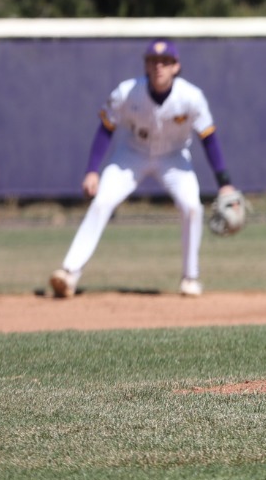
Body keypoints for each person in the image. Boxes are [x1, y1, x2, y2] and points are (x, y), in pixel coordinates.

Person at [49, 39, 232, 299]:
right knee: (102, 202)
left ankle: (190, 278)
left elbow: (208, 138)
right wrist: (92, 170)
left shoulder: (191, 97)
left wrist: (224, 181)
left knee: (192, 207)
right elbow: (106, 129)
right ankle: (69, 273)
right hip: (132, 154)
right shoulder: (127, 92)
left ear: (176, 66)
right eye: (153, 61)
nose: (159, 67)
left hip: (174, 158)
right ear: (145, 65)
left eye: (165, 62)